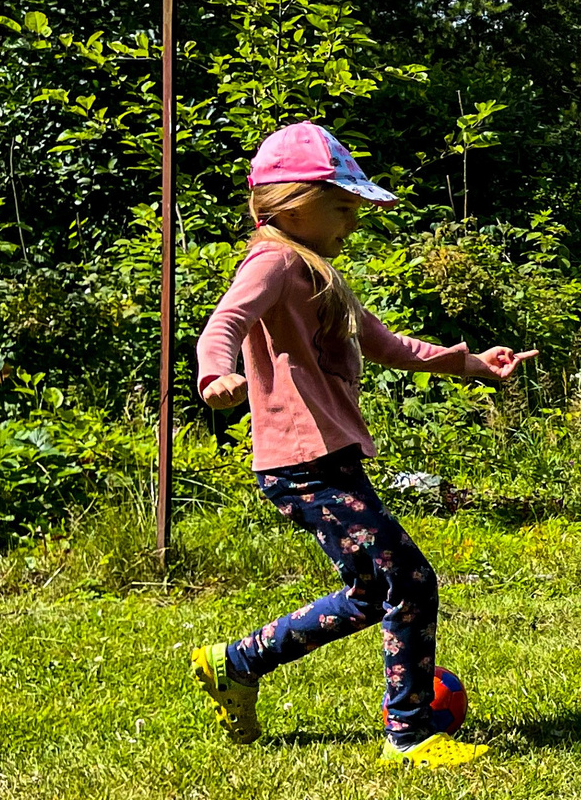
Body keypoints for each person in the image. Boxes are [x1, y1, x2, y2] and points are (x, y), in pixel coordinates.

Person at [190, 122, 534, 766]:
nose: (352, 221)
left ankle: (236, 662)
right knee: (408, 579)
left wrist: (470, 364)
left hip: (325, 458)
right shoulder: (274, 261)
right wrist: (216, 373)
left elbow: (384, 344)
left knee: (376, 589)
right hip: (302, 461)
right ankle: (409, 734)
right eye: (342, 206)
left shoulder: (317, 270)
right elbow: (225, 321)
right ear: (291, 202)